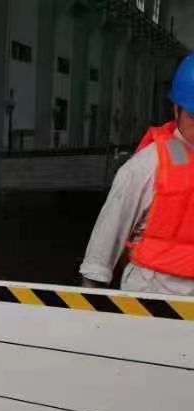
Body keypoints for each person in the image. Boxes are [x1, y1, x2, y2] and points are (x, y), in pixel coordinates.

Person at [80, 53, 194, 295]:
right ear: (176, 110)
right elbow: (102, 250)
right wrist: (87, 312)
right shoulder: (145, 167)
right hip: (154, 296)